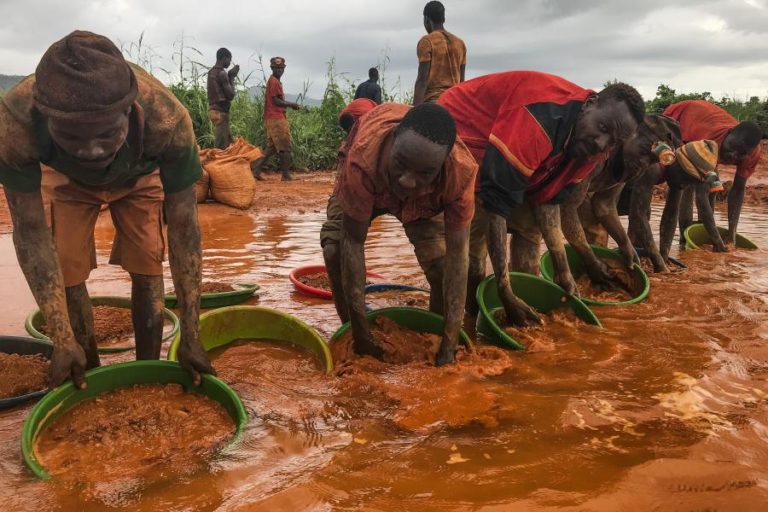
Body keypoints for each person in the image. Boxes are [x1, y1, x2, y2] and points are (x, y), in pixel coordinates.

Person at [0, 31, 213, 388]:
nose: (92, 151)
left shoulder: (167, 118)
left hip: (139, 176)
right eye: (72, 136)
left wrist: (191, 334)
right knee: (65, 265)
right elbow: (30, 232)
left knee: (147, 261)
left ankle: (148, 370)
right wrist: (61, 338)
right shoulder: (15, 121)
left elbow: (184, 229)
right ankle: (87, 371)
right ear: (45, 117)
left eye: (106, 134)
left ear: (130, 111)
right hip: (66, 179)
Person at [439, 71, 644, 322]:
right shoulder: (540, 118)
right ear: (589, 105)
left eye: (613, 142)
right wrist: (504, 290)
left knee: (530, 230)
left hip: (512, 149)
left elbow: (549, 203)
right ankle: (467, 322)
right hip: (464, 132)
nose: (602, 144)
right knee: (473, 257)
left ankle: (522, 301)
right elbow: (496, 206)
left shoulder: (591, 149)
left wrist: (563, 271)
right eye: (602, 128)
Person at [321, 103, 477, 366]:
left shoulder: (459, 174)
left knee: (440, 269)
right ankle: (350, 331)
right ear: (392, 141)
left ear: (442, 165)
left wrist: (449, 345)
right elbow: (353, 242)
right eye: (401, 164)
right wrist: (362, 335)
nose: (407, 181)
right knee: (334, 250)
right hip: (372, 183)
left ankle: (433, 334)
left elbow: (458, 259)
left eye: (424, 173)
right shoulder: (363, 160)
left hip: (425, 204)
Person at [560, 114, 682, 280]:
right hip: (540, 184)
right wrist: (591, 261)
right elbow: (567, 209)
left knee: (598, 240)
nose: (643, 163)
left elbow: (605, 205)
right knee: (530, 232)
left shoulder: (632, 166)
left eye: (650, 161)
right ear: (629, 135)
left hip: (576, 190)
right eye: (643, 153)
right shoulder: (598, 152)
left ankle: (584, 282)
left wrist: (625, 244)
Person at [663, 100, 762, 245]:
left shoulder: (752, 154)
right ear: (728, 134)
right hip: (681, 119)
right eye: (732, 147)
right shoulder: (709, 137)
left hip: (707, 133)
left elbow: (738, 189)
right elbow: (701, 196)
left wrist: (731, 233)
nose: (733, 155)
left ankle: (703, 229)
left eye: (741, 154)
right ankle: (684, 235)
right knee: (688, 184)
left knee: (713, 187)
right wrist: (716, 240)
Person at [628, 140, 727, 269]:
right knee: (642, 213)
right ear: (677, 165)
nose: (684, 186)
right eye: (686, 180)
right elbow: (638, 214)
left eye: (689, 184)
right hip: (606, 179)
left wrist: (664, 255)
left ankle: (637, 255)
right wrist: (658, 261)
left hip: (633, 184)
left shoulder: (677, 175)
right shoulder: (654, 166)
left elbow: (671, 212)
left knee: (640, 242)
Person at [250, 57, 300, 181]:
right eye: (277, 68)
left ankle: (256, 169)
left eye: (281, 68)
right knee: (285, 146)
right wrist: (291, 105)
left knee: (272, 147)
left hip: (272, 117)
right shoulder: (274, 82)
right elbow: (276, 101)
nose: (279, 70)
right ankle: (286, 175)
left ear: (284, 69)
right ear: (272, 68)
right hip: (276, 117)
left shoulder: (274, 81)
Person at [413, 1, 466, 106]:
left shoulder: (427, 42)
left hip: (433, 103)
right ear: (444, 19)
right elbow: (461, 81)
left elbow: (422, 80)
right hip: (454, 102)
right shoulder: (460, 43)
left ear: (426, 20)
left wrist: (413, 111)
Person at [206, 47, 239, 149]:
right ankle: (214, 164)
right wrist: (232, 77)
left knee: (228, 142)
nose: (230, 63)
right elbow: (231, 95)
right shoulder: (222, 73)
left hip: (213, 111)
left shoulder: (211, 72)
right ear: (225, 58)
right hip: (221, 113)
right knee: (221, 148)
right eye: (230, 59)